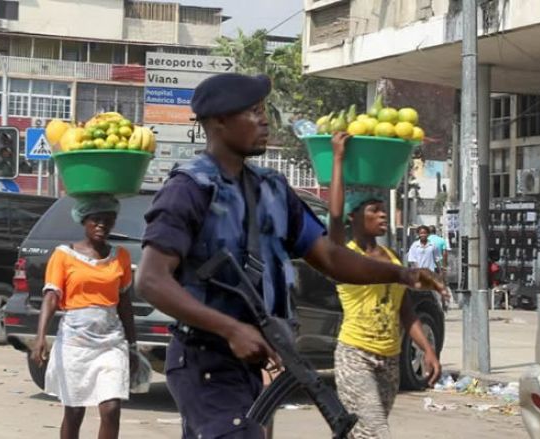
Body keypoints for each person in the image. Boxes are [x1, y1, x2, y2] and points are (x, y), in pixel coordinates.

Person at [135, 73, 444, 439]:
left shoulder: (273, 189)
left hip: (253, 360)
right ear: (217, 121)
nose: (265, 120)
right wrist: (231, 328)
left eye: (264, 110)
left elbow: (329, 256)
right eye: (253, 112)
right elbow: (151, 280)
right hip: (205, 358)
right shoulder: (188, 189)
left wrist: (402, 275)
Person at [328, 133, 442, 439]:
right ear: (355, 216)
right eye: (373, 210)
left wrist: (428, 349)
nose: (382, 215)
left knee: (357, 432)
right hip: (355, 356)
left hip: (389, 359)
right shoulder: (344, 254)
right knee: (376, 432)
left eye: (383, 209)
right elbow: (335, 215)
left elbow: (405, 312)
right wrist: (338, 158)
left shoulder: (392, 257)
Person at [31, 195, 138, 439]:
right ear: (84, 221)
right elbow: (51, 296)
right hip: (75, 343)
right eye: (96, 220)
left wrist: (132, 345)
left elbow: (125, 303)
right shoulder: (64, 255)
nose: (102, 225)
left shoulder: (120, 256)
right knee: (75, 410)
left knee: (111, 409)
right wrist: (40, 337)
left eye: (108, 220)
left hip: (111, 340)